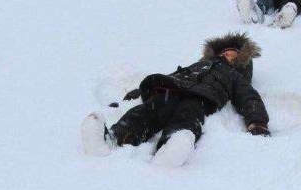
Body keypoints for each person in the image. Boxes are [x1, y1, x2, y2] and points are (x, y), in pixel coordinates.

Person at [80, 33, 271, 168]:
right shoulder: (200, 64)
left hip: (202, 97)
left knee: (189, 115)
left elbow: (248, 97)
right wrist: (136, 95)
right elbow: (176, 76)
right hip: (173, 89)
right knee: (148, 110)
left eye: (232, 55)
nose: (226, 55)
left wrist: (258, 121)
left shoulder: (234, 76)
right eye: (224, 52)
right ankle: (113, 138)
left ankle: (172, 146)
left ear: (241, 62)